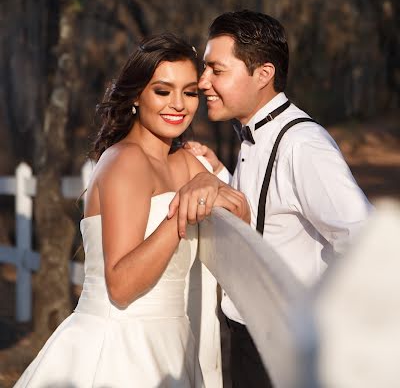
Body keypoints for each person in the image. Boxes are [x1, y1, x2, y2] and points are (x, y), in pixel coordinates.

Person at [14, 33, 249, 388]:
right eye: (162, 90)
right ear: (137, 95)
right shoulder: (125, 162)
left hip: (171, 343)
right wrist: (183, 209)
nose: (178, 104)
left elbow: (240, 215)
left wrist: (212, 182)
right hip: (121, 347)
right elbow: (121, 285)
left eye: (189, 92)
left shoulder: (185, 162)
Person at [169, 10, 372, 388]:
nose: (203, 81)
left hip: (286, 349)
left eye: (217, 70)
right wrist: (222, 178)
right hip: (249, 338)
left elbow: (365, 241)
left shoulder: (303, 145)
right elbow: (271, 213)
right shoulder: (253, 135)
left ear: (263, 74)